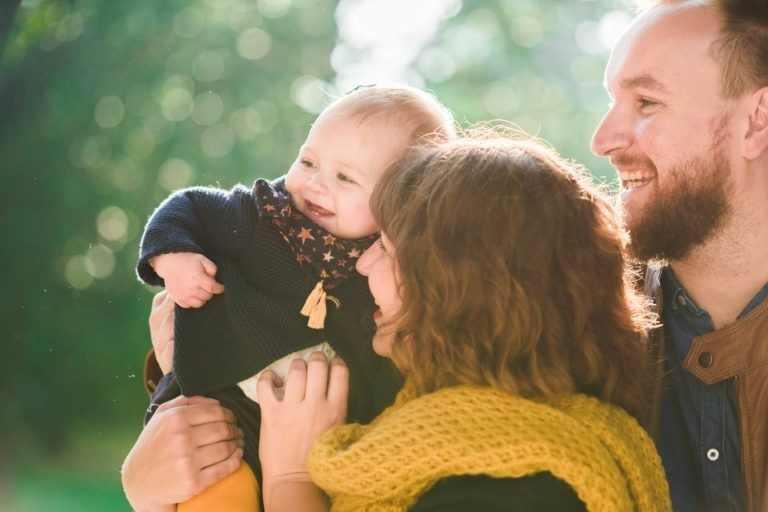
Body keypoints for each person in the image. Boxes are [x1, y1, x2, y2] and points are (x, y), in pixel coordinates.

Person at [254, 128, 672, 511]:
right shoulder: (433, 421)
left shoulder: (518, 489)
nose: (363, 265)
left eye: (385, 247)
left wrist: (289, 480)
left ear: (456, 287)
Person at [131, 83, 456, 511]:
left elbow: (383, 375)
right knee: (218, 491)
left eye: (345, 178)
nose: (316, 184)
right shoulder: (265, 216)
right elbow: (188, 206)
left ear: (400, 205)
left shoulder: (383, 276)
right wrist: (174, 258)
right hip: (213, 403)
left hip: (312, 445)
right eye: (307, 161)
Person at [590, 1, 768, 510]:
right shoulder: (576, 331)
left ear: (756, 121)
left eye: (646, 102)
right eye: (612, 101)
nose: (602, 140)